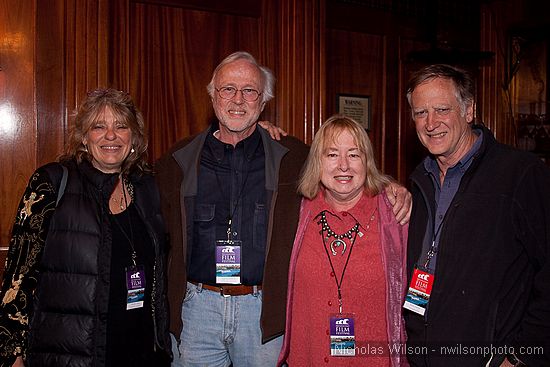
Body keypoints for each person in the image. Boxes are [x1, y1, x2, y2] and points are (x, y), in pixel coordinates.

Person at [156, 50, 412, 367]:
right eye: (228, 89)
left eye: (249, 90)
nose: (238, 100)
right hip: (197, 310)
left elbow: (344, 170)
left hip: (263, 314)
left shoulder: (291, 157)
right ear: (213, 97)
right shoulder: (178, 159)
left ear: (263, 101)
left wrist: (390, 187)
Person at [0, 88, 171, 367]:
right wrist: (12, 354)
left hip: (138, 352)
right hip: (71, 355)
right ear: (83, 136)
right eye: (98, 126)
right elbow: (17, 277)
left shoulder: (147, 188)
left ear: (134, 138)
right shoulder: (52, 183)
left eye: (121, 126)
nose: (111, 135)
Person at [404, 64, 550, 366]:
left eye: (442, 109)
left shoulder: (520, 174)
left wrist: (521, 357)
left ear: (469, 110)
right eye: (420, 113)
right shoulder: (420, 182)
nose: (431, 123)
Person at [277, 115, 409, 366]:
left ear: (367, 161)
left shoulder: (395, 217)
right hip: (309, 357)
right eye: (332, 155)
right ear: (317, 161)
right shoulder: (298, 211)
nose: (344, 166)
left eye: (354, 154)